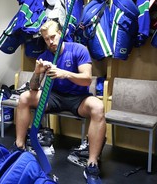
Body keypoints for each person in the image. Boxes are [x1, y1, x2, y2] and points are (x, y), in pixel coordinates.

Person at [13, 20, 106, 184]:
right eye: (46, 39)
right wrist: (37, 72)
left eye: (53, 37)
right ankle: (19, 146)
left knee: (98, 107)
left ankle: (92, 164)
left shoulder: (78, 50)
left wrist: (65, 73)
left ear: (61, 34)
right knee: (24, 97)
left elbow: (86, 80)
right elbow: (34, 87)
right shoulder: (45, 55)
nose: (50, 42)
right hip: (54, 96)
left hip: (79, 98)